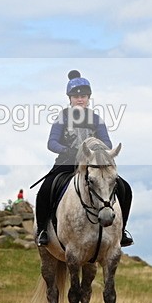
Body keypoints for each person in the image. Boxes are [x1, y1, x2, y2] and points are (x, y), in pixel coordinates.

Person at [35, 70, 134, 248]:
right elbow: (52, 142)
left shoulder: (96, 119)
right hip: (67, 162)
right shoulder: (62, 117)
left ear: (89, 98)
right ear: (70, 99)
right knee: (46, 189)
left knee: (124, 188)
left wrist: (95, 152)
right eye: (76, 96)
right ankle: (43, 230)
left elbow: (107, 142)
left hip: (93, 165)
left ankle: (122, 230)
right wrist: (67, 150)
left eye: (83, 96)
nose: (80, 99)